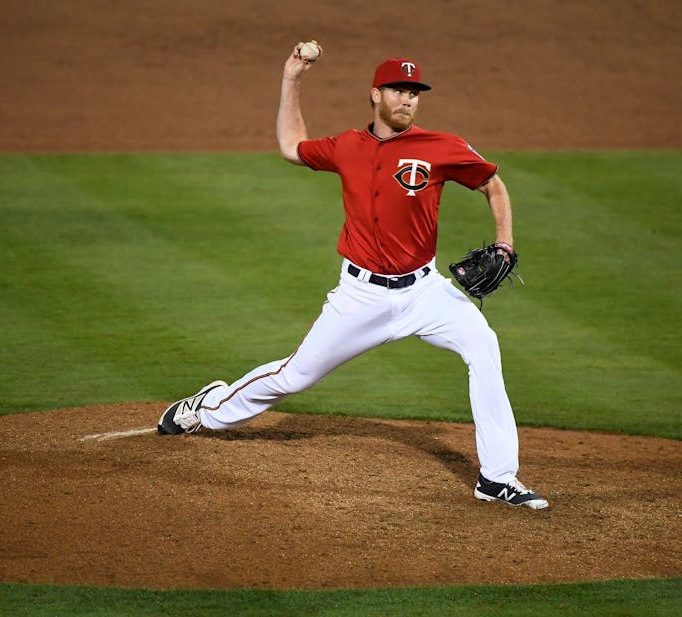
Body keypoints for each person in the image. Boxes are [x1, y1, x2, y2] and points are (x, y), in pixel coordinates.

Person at [158, 43, 548, 510]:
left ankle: (498, 477)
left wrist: (504, 242)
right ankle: (206, 408)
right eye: (399, 90)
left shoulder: (441, 146)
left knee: (483, 344)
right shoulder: (347, 146)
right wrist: (292, 78)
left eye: (415, 92)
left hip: (425, 292)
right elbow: (290, 147)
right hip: (360, 297)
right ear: (376, 95)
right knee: (294, 376)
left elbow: (493, 184)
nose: (409, 99)